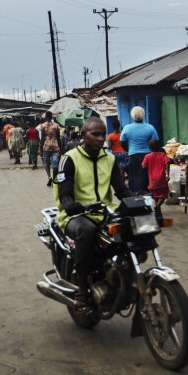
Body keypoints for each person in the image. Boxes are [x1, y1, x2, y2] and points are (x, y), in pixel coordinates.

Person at [55, 117, 133, 314]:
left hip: (105, 212)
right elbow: (64, 193)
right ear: (83, 135)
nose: (100, 138)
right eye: (95, 134)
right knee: (86, 230)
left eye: (102, 134)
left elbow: (121, 190)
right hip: (76, 215)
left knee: (132, 228)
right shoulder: (69, 158)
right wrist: (71, 206)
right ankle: (82, 288)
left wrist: (140, 202)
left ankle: (124, 278)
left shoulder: (110, 159)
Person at [120, 106, 159, 194]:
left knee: (134, 177)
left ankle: (134, 196)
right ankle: (148, 195)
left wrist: (129, 149)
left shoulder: (127, 128)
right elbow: (155, 142)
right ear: (143, 115)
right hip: (148, 156)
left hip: (133, 155)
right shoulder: (150, 127)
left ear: (132, 115)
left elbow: (122, 142)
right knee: (147, 177)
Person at [142, 139, 171, 224]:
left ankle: (157, 208)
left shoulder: (147, 156)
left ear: (149, 147)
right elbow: (167, 163)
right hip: (161, 178)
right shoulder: (162, 155)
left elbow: (143, 166)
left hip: (152, 180)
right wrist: (167, 174)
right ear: (159, 147)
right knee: (163, 194)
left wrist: (149, 165)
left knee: (155, 195)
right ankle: (157, 206)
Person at [40, 111, 62, 187]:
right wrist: (61, 149)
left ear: (46, 117)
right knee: (55, 165)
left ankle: (49, 177)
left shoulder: (42, 126)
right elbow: (59, 138)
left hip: (46, 147)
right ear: (52, 117)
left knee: (46, 163)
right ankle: (55, 180)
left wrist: (40, 150)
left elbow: (42, 138)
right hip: (55, 147)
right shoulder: (56, 126)